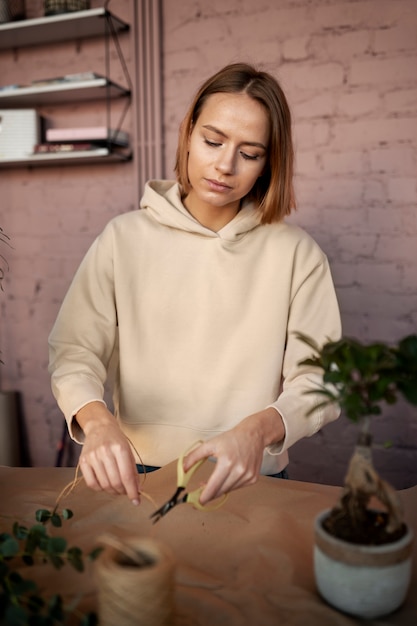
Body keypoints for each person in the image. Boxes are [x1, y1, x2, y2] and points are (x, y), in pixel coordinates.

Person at [48, 62, 341, 508]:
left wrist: (256, 431)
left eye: (250, 153)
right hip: (138, 473)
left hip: (250, 476)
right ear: (187, 134)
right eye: (213, 141)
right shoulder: (122, 239)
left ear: (268, 163)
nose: (225, 165)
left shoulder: (297, 255)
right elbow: (74, 352)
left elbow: (321, 380)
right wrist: (99, 422)